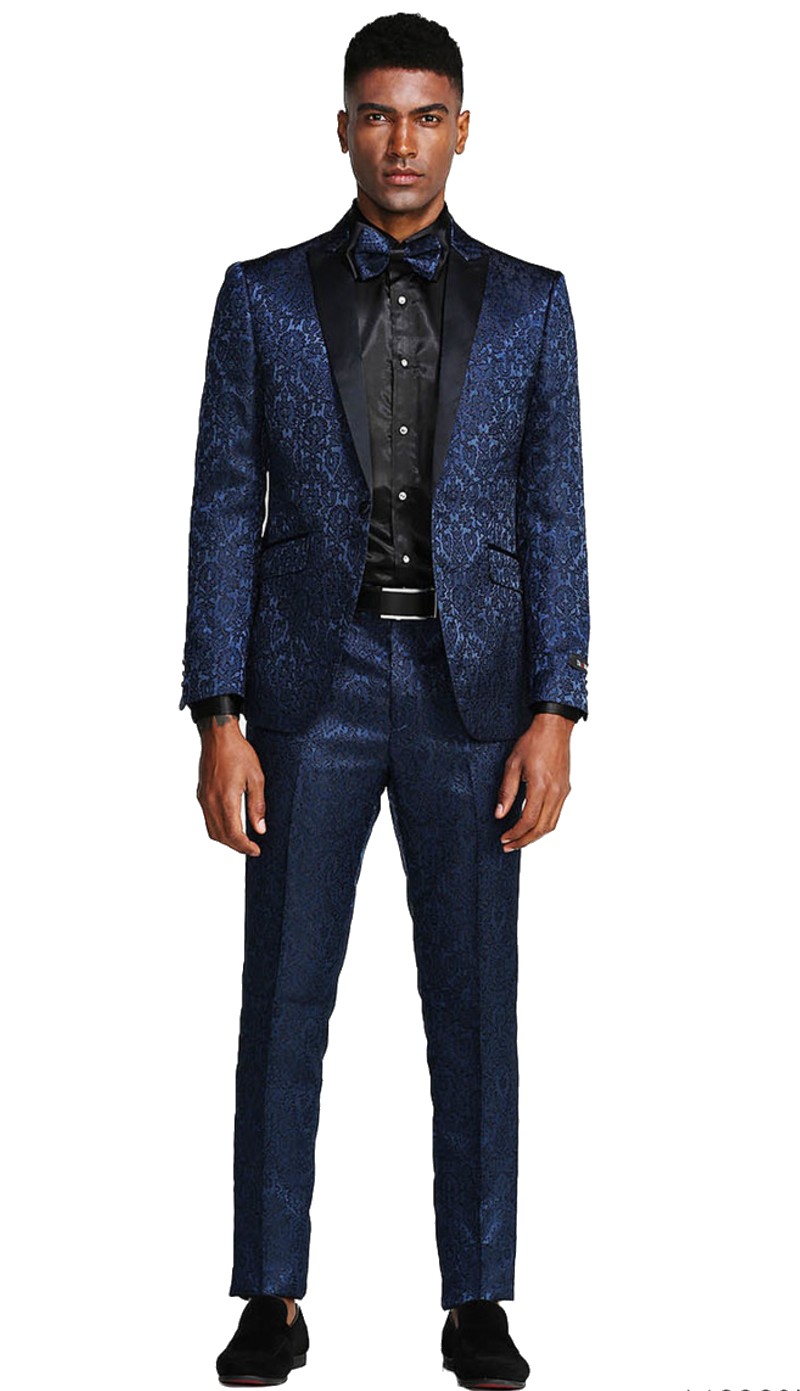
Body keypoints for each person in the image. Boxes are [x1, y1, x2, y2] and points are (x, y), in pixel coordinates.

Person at [179, 12, 589, 1388]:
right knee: (283, 1000)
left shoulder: (533, 305)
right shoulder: (261, 297)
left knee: (475, 1009)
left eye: (425, 116)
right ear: (343, 129)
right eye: (376, 114)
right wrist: (219, 713)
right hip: (314, 686)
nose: (400, 141)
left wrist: (558, 708)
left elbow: (555, 514)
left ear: (462, 129)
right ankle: (272, 1293)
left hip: (478, 701)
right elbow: (223, 507)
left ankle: (478, 1297)